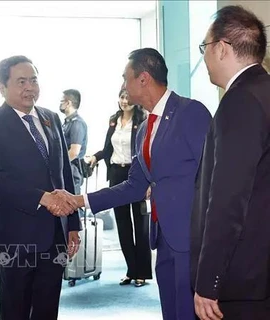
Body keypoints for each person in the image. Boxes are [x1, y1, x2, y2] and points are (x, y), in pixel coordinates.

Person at [67, 48, 212, 319]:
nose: (123, 85)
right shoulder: (145, 128)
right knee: (173, 310)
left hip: (193, 237)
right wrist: (80, 201)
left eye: (126, 78)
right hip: (163, 237)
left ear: (143, 78)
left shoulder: (191, 113)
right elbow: (135, 186)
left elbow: (214, 176)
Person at [0, 55, 81, 320]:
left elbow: (64, 173)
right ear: (2, 87)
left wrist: (74, 224)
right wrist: (41, 197)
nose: (29, 87)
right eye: (21, 81)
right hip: (16, 234)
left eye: (33, 80)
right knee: (16, 306)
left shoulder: (50, 118)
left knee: (47, 305)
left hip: (55, 231)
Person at [191, 5, 270, 320]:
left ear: (221, 49)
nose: (205, 57)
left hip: (242, 279)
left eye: (204, 48)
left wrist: (209, 280)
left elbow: (227, 200)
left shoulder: (240, 102)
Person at [87, 88, 151, 287]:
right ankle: (131, 270)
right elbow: (108, 148)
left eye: (128, 97)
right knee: (123, 225)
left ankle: (143, 272)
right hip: (116, 173)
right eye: (122, 97)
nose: (125, 101)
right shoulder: (114, 119)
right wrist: (95, 157)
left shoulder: (142, 120)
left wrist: (150, 180)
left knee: (140, 226)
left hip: (136, 174)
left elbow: (147, 150)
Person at [59, 89, 88, 202]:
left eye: (62, 101)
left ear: (68, 103)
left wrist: (59, 166)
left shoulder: (77, 123)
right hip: (67, 169)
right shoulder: (67, 122)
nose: (60, 104)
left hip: (72, 169)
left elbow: (74, 152)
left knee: (71, 205)